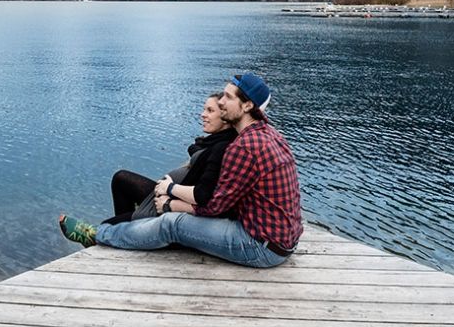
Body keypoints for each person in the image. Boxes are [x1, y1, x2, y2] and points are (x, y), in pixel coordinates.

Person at [58, 73, 302, 268]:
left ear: (247, 105)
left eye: (227, 97)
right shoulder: (269, 134)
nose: (221, 102)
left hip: (259, 246)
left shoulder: (244, 146)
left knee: (172, 225)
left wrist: (170, 203)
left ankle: (97, 235)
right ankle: (116, 236)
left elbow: (213, 206)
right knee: (160, 211)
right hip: (280, 239)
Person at [101, 92, 237, 225]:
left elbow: (203, 195)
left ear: (225, 116)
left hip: (173, 204)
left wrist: (170, 190)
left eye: (210, 111)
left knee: (107, 226)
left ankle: (127, 230)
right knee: (121, 179)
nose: (203, 115)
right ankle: (128, 230)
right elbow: (196, 150)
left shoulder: (221, 148)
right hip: (171, 195)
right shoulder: (213, 143)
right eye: (204, 109)